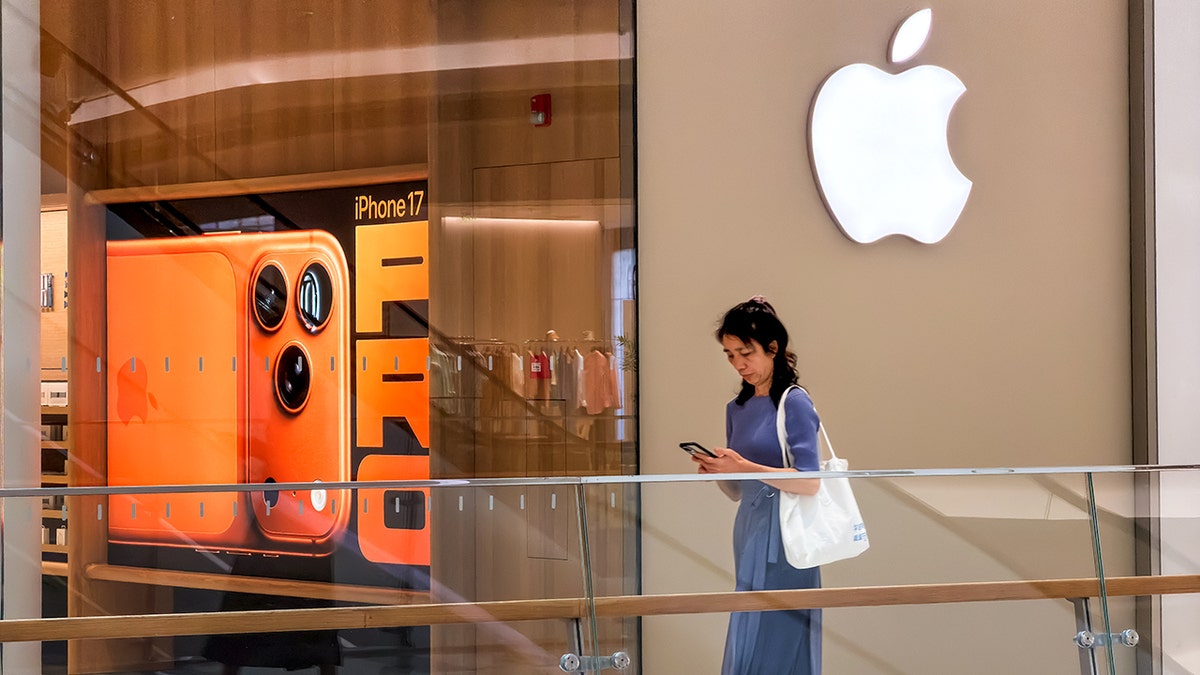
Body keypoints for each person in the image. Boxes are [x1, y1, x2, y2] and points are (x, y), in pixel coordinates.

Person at [692, 296, 822, 675]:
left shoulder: (794, 402)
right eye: (730, 355)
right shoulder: (737, 408)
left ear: (773, 348)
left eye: (745, 352)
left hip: (786, 535)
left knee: (779, 632)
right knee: (749, 628)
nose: (739, 364)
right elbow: (737, 490)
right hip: (749, 529)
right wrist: (721, 473)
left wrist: (744, 465)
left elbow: (811, 481)